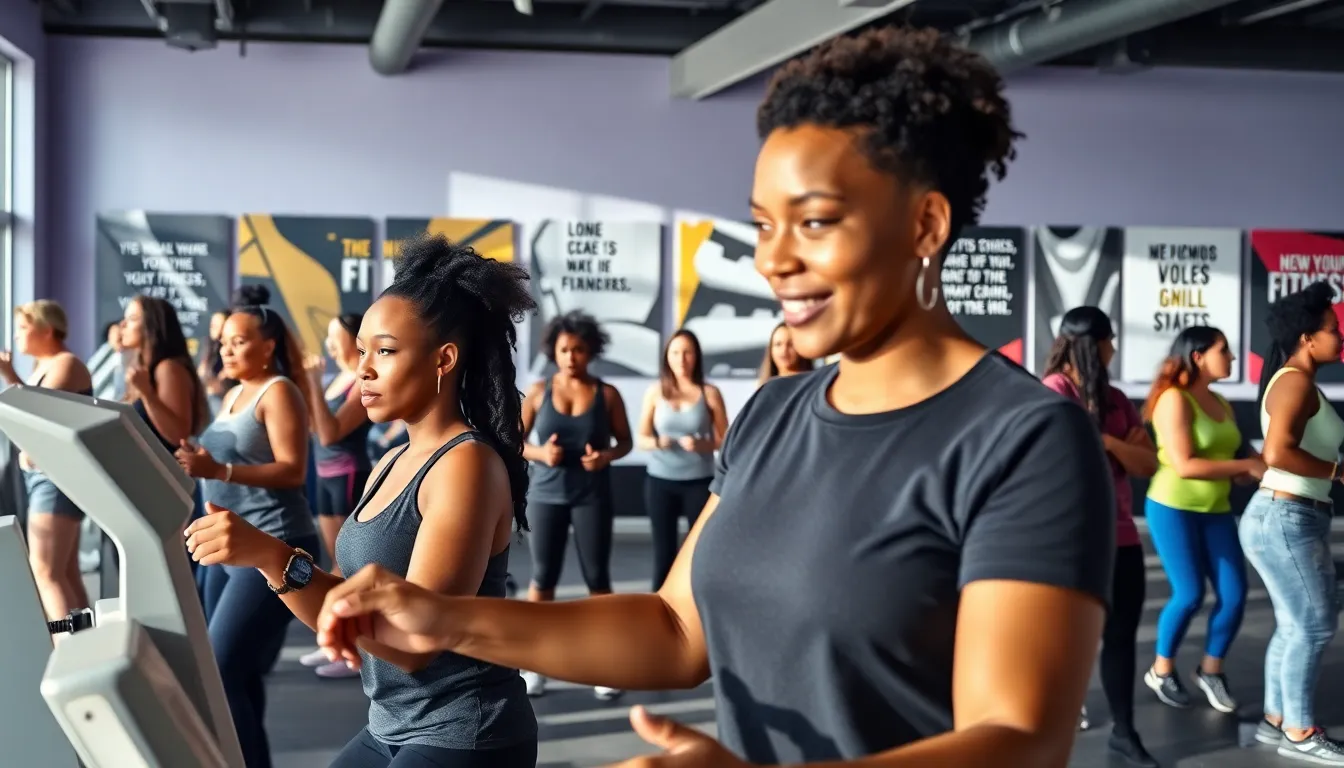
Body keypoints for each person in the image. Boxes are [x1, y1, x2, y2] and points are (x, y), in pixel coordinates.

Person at [313, 27, 1114, 768]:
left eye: (815, 222)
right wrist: (446, 616)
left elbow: (1020, 739)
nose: (774, 261)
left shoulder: (1023, 435)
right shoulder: (774, 415)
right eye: (763, 225)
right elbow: (674, 629)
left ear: (926, 224)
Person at [185, 235, 538, 768]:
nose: (363, 369)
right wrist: (266, 559)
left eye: (385, 351)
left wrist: (274, 555)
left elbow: (413, 645)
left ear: (443, 359)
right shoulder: (391, 461)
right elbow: (342, 603)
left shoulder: (466, 465)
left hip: (464, 732)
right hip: (390, 724)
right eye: (362, 351)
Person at [174, 285, 320, 768]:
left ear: (268, 345)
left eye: (239, 342)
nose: (227, 350)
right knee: (234, 672)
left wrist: (219, 470)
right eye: (224, 343)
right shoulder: (235, 393)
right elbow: (223, 463)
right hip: (225, 543)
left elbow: (292, 470)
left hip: (272, 539)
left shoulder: (280, 392)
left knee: (221, 669)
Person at [1041, 306, 1159, 767]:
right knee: (1066, 637)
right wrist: (1117, 445)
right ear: (1095, 346)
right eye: (1110, 341)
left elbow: (1146, 464)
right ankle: (1052, 724)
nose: (1114, 349)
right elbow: (1061, 458)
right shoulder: (1055, 391)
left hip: (1122, 536)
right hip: (1073, 539)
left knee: (1121, 637)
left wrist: (1108, 442)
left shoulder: (1117, 400)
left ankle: (1124, 733)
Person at [1242, 281, 1344, 764]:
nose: (1340, 337)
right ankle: (1300, 733)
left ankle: (1276, 719)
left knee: (1295, 624)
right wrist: (1337, 472)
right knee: (1315, 626)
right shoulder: (1295, 382)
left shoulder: (1299, 381)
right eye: (1333, 329)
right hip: (1286, 517)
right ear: (1307, 337)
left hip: (1288, 516)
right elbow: (1277, 453)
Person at [1141, 325, 1261, 717]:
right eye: (1224, 350)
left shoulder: (1221, 402)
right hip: (1172, 508)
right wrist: (1246, 467)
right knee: (1189, 594)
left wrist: (1256, 468)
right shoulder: (1174, 399)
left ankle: (1211, 670)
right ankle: (1161, 671)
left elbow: (1235, 457)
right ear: (1198, 356)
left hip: (1216, 511)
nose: (1232, 358)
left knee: (1234, 595)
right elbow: (1185, 465)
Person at [520, 309, 632, 700]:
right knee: (543, 579)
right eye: (565, 349)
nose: (571, 357)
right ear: (554, 351)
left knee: (598, 580)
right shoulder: (538, 391)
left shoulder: (607, 394)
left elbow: (625, 442)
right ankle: (534, 667)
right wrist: (541, 453)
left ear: (590, 351)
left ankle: (606, 665)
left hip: (592, 496)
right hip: (546, 496)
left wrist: (605, 457)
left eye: (579, 350)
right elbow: (515, 441)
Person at [0, 300, 93, 621]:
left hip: (55, 477)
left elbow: (37, 415)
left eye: (23, 327)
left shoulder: (66, 364)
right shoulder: (45, 366)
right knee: (65, 571)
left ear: (47, 330)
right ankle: (85, 642)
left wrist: (10, 377)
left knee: (45, 571)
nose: (17, 336)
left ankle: (65, 645)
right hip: (47, 475)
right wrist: (10, 375)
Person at [297, 313, 374, 679]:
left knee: (348, 564)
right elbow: (315, 426)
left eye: (334, 337)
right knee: (335, 563)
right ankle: (336, 642)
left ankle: (354, 649)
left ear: (353, 339)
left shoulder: (361, 380)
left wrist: (313, 382)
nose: (327, 345)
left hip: (348, 474)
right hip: (326, 476)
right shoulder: (337, 380)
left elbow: (329, 434)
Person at [637, 329, 728, 590]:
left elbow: (726, 440)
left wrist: (703, 444)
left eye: (687, 352)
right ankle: (658, 607)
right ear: (667, 356)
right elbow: (641, 438)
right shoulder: (655, 392)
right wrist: (657, 442)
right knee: (663, 554)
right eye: (675, 352)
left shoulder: (710, 393)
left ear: (696, 356)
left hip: (699, 482)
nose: (681, 359)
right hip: (660, 482)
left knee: (698, 551)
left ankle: (695, 606)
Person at [121, 295, 211, 451]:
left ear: (152, 325)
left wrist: (147, 393)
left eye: (132, 319)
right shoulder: (143, 367)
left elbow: (178, 435)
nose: (122, 325)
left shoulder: (168, 368)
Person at [757, 321, 813, 386]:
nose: (784, 350)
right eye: (778, 344)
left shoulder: (814, 385)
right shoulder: (765, 388)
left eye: (790, 344)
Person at [197, 309, 232, 416]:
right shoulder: (208, 345)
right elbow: (201, 374)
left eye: (217, 323)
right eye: (212, 323)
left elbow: (221, 383)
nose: (213, 326)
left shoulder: (230, 349)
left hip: (223, 398)